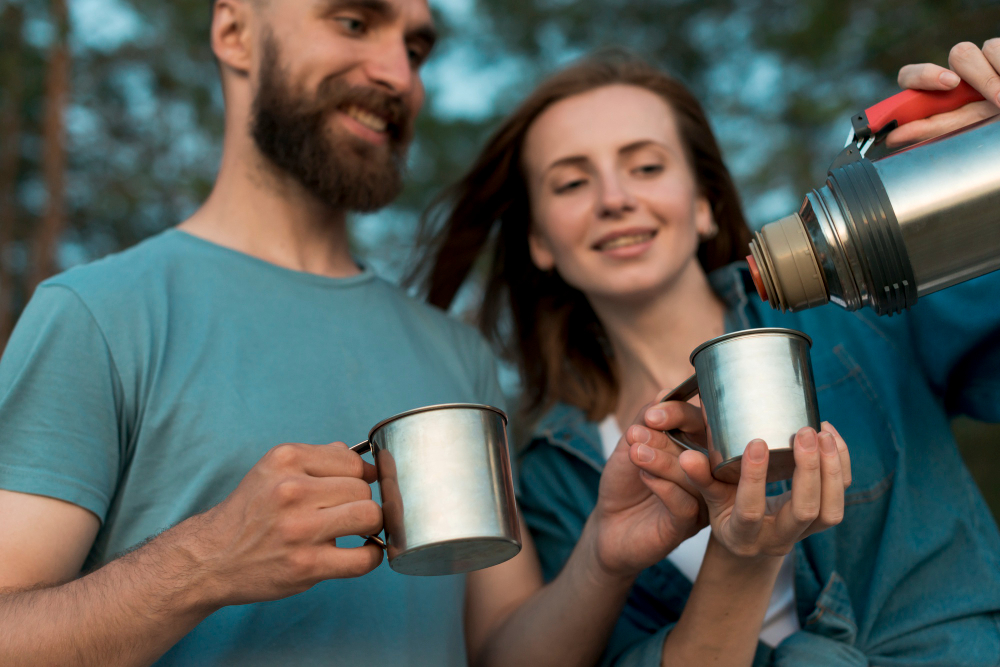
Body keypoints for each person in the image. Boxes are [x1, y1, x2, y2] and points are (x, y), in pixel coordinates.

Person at [0, 0, 713, 665]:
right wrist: (204, 563)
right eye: (353, 22)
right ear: (234, 33)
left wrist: (603, 558)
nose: (397, 74)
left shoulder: (454, 352)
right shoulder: (97, 314)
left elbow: (501, 646)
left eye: (416, 47)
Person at [421, 41, 1000, 665]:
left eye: (645, 167)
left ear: (701, 203)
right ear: (538, 239)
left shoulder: (852, 304)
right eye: (571, 182)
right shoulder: (553, 477)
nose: (615, 198)